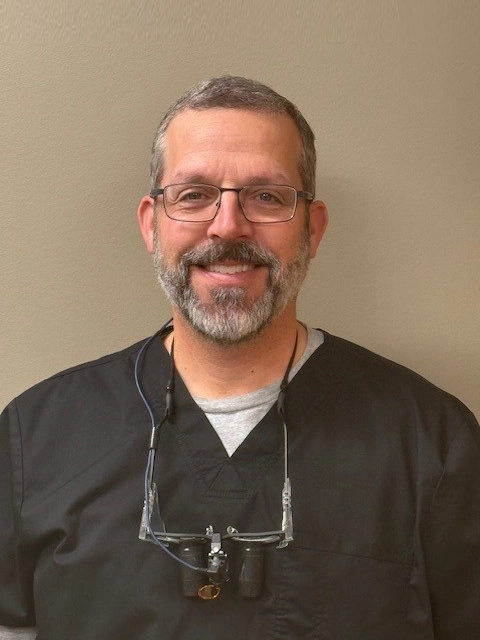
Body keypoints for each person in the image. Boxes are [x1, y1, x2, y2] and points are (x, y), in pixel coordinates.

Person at [1, 76, 479, 640]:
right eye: (193, 195)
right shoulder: (35, 437)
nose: (228, 226)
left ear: (313, 230)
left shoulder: (432, 443)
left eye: (267, 197)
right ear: (152, 225)